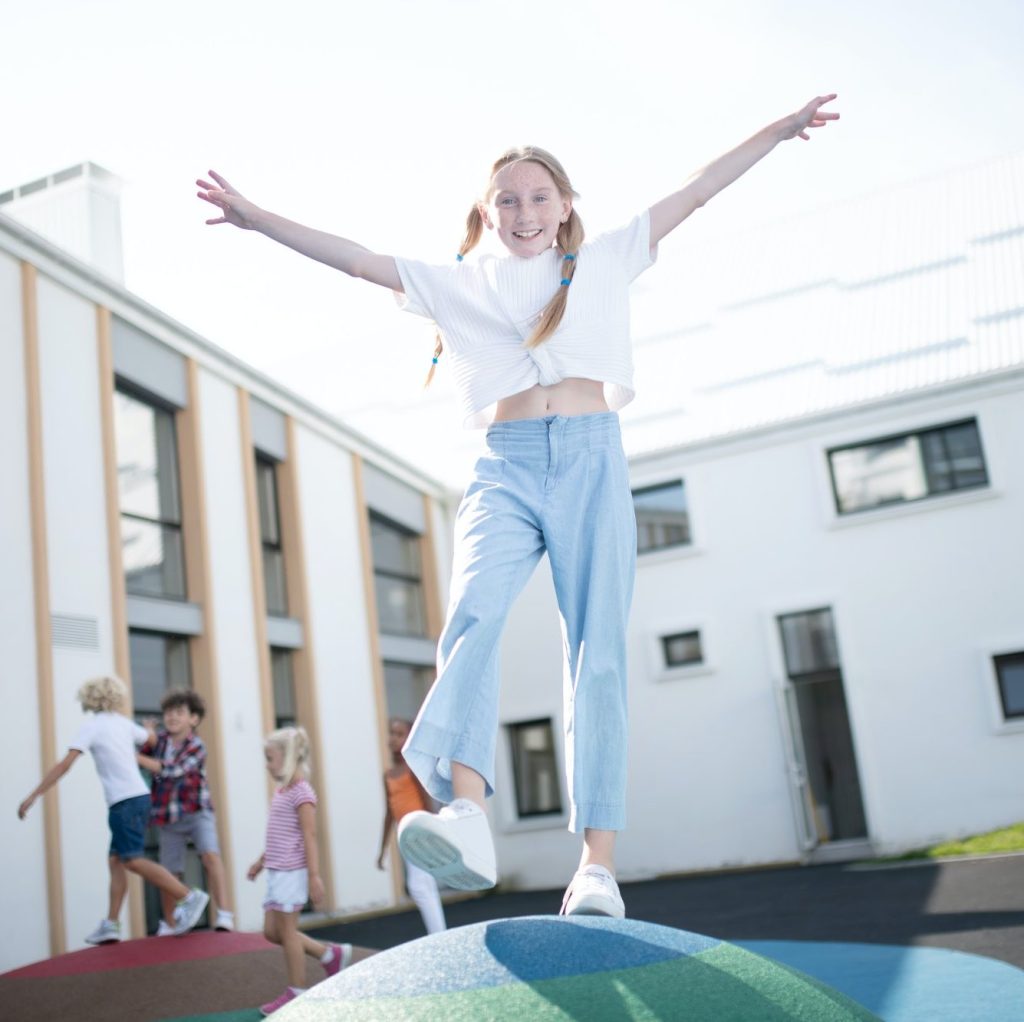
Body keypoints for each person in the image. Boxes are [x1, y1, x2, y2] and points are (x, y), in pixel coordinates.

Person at [197, 93, 839, 919]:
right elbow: (353, 257)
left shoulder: (606, 259)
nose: (524, 211)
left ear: (565, 205)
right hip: (503, 466)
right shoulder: (455, 283)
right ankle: (466, 813)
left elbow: (700, 187)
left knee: (596, 652)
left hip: (589, 458)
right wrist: (256, 218)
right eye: (507, 199)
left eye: (539, 197)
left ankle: (597, 867)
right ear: (485, 211)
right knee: (471, 617)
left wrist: (780, 132)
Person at [17, 675, 209, 943]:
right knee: (116, 860)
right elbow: (152, 739)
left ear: (88, 699)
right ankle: (111, 923)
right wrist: (150, 730)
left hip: (125, 802)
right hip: (138, 798)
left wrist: (34, 795)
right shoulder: (122, 724)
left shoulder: (92, 727)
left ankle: (188, 896)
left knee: (131, 859)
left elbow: (65, 765)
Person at [248, 726, 352, 1016]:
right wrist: (260, 861)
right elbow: (279, 835)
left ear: (288, 757)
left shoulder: (302, 793)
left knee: (288, 932)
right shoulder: (282, 791)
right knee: (273, 931)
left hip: (291, 873)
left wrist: (314, 876)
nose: (267, 765)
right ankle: (329, 953)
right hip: (276, 871)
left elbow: (309, 835)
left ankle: (297, 991)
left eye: (270, 758)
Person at [137, 689, 234, 935]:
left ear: (194, 719)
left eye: (179, 712)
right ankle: (169, 923)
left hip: (197, 811)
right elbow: (139, 748)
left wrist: (138, 757)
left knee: (210, 856)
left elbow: (173, 770)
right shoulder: (158, 741)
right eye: (168, 712)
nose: (172, 717)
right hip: (168, 816)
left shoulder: (197, 746)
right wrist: (147, 734)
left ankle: (224, 913)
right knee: (170, 872)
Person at [376, 718, 447, 935]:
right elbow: (389, 812)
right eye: (392, 733)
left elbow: (427, 801)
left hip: (419, 829)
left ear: (409, 737)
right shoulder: (388, 774)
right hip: (404, 834)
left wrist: (436, 829)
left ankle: (438, 934)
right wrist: (382, 849)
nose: (394, 739)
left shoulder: (412, 768)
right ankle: (438, 932)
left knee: (419, 885)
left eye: (400, 734)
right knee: (422, 885)